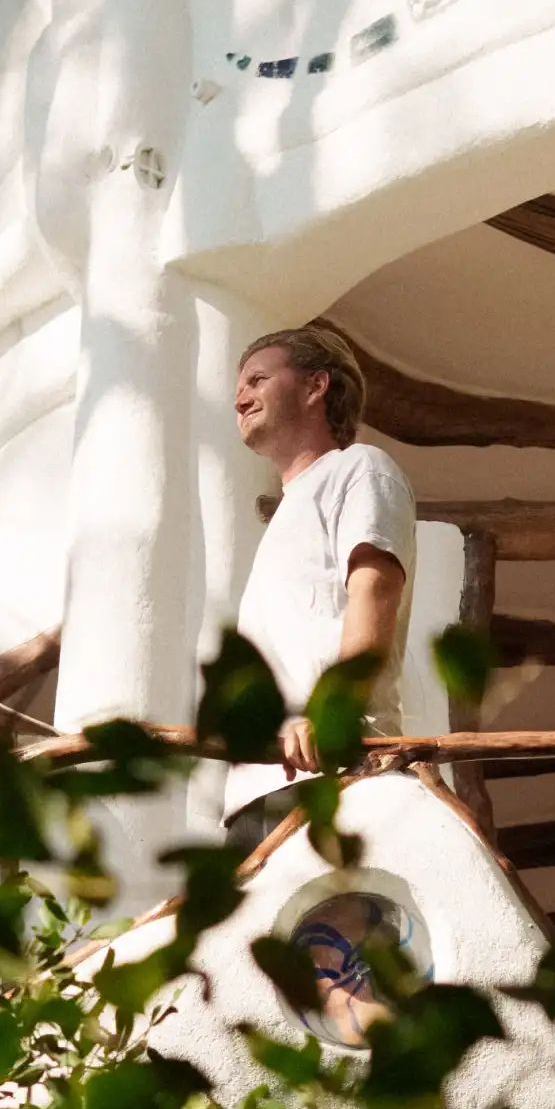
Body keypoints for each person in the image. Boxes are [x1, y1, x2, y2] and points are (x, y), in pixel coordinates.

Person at [223, 326, 416, 849]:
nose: (240, 397)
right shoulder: (289, 511)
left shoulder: (360, 469)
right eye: (239, 385)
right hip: (260, 784)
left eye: (259, 378)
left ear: (316, 387)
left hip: (335, 767)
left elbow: (374, 592)